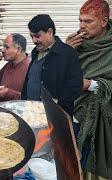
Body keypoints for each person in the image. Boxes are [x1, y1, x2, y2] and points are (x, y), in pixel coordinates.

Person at [66, 0, 112, 179]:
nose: (82, 26)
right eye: (80, 21)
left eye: (88, 21)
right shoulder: (75, 43)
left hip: (104, 121)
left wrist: (90, 85)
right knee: (74, 166)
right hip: (74, 117)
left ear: (104, 21)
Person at [21, 14, 83, 118]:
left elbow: (75, 86)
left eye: (37, 36)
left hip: (55, 119)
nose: (34, 41)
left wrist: (57, 107)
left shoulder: (67, 53)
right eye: (32, 37)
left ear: (50, 32)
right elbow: (29, 80)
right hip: (31, 115)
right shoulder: (35, 52)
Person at [0, 33, 30, 101]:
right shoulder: (9, 65)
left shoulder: (30, 68)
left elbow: (31, 99)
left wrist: (8, 93)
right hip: (1, 109)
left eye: (7, 47)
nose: (3, 50)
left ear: (18, 49)